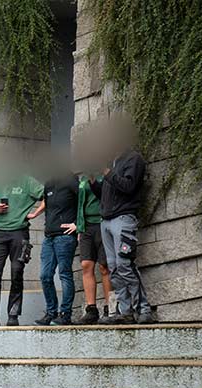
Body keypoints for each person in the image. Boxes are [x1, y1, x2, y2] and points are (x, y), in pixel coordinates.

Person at [89, 118, 154, 325]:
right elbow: (106, 193)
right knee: (114, 267)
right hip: (106, 221)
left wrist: (107, 173)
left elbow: (127, 187)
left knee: (125, 264)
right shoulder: (113, 163)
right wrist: (93, 181)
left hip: (124, 219)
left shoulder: (133, 159)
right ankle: (124, 310)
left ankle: (143, 309)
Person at [0, 175, 44, 327]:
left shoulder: (27, 181)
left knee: (16, 273)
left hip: (19, 233)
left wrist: (35, 213)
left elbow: (48, 195)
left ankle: (13, 315)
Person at [31, 173, 80, 326]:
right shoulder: (49, 182)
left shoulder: (71, 180)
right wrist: (35, 213)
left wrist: (78, 224)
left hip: (65, 236)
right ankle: (51, 313)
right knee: (45, 276)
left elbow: (83, 202)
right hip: (49, 236)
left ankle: (65, 313)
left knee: (64, 274)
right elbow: (46, 201)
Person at [75, 171, 113, 324]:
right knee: (86, 265)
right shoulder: (83, 178)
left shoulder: (105, 175)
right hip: (86, 227)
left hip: (102, 223)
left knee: (104, 266)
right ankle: (91, 309)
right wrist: (79, 226)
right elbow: (80, 204)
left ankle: (109, 307)